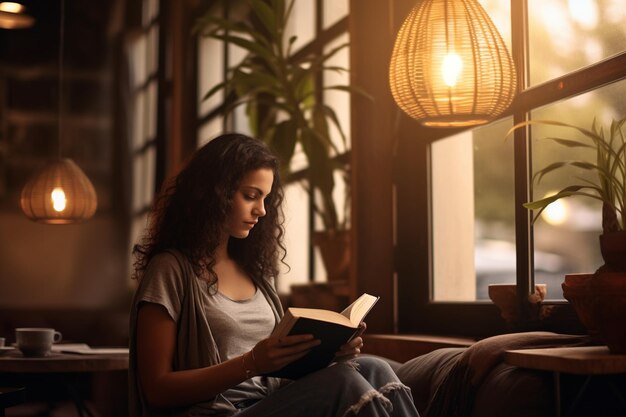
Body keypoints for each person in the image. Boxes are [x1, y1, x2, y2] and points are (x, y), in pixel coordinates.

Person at [129, 133, 420, 417]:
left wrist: (329, 353)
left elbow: (279, 372)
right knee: (344, 383)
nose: (262, 211)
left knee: (375, 368)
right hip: (220, 412)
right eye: (251, 196)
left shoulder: (255, 274)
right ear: (214, 193)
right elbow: (157, 389)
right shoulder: (170, 270)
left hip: (272, 402)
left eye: (266, 198)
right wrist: (252, 363)